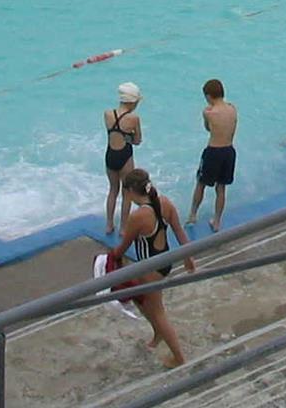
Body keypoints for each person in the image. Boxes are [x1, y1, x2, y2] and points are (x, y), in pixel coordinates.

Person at [106, 168, 196, 369]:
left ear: (129, 191)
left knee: (158, 312)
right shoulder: (165, 203)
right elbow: (180, 232)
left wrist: (110, 258)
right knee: (138, 298)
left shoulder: (138, 217)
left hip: (151, 268)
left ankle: (179, 358)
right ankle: (157, 334)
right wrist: (189, 257)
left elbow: (122, 248)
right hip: (164, 261)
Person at [187, 79, 238, 231]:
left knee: (201, 184)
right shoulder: (233, 108)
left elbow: (208, 129)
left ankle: (193, 215)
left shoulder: (208, 113)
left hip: (214, 151)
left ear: (209, 96)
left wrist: (208, 113)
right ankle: (216, 221)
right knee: (221, 188)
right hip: (229, 151)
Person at [103, 82, 144, 235]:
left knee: (113, 190)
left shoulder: (107, 114)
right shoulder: (133, 119)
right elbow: (137, 140)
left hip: (110, 155)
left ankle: (108, 225)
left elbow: (113, 133)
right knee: (127, 193)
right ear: (133, 102)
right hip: (125, 156)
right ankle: (123, 228)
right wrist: (130, 137)